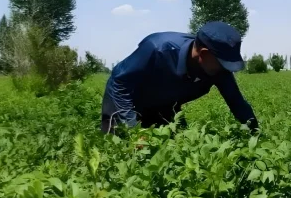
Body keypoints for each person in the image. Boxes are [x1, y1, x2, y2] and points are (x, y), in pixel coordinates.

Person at [101, 21, 258, 135]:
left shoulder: (217, 68)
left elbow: (237, 102)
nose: (225, 69)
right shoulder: (158, 49)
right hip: (126, 100)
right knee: (119, 148)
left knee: (176, 145)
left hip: (164, 104)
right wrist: (134, 131)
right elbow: (120, 83)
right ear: (203, 54)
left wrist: (256, 135)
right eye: (223, 63)